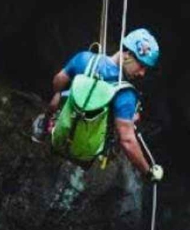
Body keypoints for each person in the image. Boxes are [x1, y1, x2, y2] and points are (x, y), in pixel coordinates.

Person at [34, 28, 164, 182]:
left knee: (60, 95)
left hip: (61, 133)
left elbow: (58, 82)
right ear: (127, 55)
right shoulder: (125, 94)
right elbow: (127, 141)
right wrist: (147, 172)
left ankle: (45, 124)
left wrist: (74, 94)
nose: (142, 73)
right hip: (87, 152)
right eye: (141, 65)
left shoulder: (84, 59)